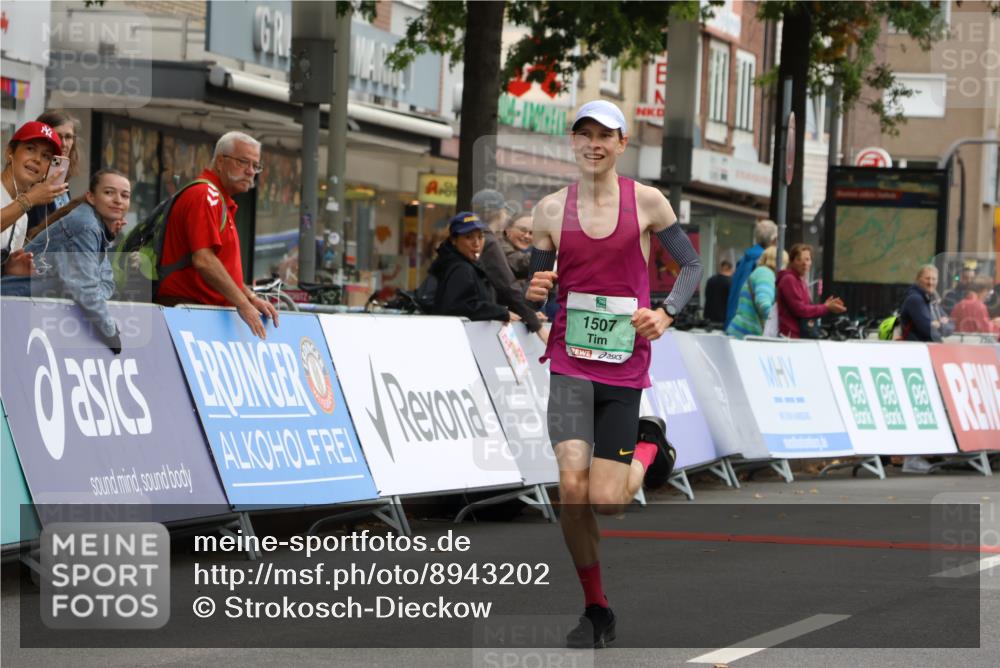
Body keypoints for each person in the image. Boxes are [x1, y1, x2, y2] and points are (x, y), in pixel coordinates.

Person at [526, 100, 701, 649]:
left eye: (605, 135)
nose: (594, 144)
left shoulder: (647, 202)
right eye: (584, 135)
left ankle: (650, 446)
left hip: (625, 367)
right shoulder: (550, 211)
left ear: (623, 144)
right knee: (571, 491)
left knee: (609, 500)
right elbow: (539, 283)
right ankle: (596, 608)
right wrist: (535, 296)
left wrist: (666, 312)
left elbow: (690, 266)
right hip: (571, 365)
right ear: (572, 143)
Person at [155, 131, 278, 340]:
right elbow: (204, 260)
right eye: (243, 162)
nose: (250, 171)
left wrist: (249, 297)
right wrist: (242, 303)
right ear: (220, 161)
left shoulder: (217, 198)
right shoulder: (206, 194)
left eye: (255, 166)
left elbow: (221, 267)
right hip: (187, 315)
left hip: (196, 315)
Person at [1, 170, 130, 353]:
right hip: (12, 309)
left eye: (125, 195)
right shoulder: (86, 226)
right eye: (109, 192)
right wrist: (110, 332)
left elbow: (106, 284)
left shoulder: (95, 227)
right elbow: (85, 287)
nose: (118, 200)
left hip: (28, 315)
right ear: (91, 197)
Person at [471, 188, 546, 342]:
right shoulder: (489, 241)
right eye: (505, 211)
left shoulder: (475, 236)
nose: (506, 216)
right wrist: (539, 327)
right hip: (479, 325)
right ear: (498, 213)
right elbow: (507, 286)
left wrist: (525, 313)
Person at [1, 121, 66, 275]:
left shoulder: (22, 217)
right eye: (30, 149)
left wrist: (10, 269)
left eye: (46, 156)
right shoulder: (25, 204)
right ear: (9, 152)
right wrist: (29, 199)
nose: (37, 159)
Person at [429, 211, 513, 323]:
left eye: (480, 237)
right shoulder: (460, 268)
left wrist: (517, 312)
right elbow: (461, 307)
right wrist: (501, 312)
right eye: (469, 237)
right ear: (454, 240)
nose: (476, 243)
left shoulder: (466, 264)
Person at [26, 110, 80, 232]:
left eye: (68, 137)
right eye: (58, 136)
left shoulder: (61, 178)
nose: (64, 144)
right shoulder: (31, 177)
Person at [776, 243, 845, 338]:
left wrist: (826, 306)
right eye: (799, 259)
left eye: (807, 259)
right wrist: (825, 307)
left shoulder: (800, 280)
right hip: (791, 337)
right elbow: (800, 310)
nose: (804, 263)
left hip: (798, 336)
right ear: (791, 262)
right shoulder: (789, 279)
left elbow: (806, 309)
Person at [724, 219, 777, 329]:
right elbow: (764, 302)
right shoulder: (763, 264)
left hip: (734, 321)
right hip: (751, 327)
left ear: (756, 238)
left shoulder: (744, 259)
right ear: (774, 240)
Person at [725, 247, 786, 340]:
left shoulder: (759, 272)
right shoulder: (766, 274)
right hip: (748, 334)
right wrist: (781, 321)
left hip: (741, 331)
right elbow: (763, 304)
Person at [897, 264, 953, 343]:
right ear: (918, 280)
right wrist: (941, 325)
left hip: (929, 348)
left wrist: (938, 325)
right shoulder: (915, 299)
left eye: (934, 279)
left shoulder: (933, 299)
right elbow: (928, 330)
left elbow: (951, 326)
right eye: (927, 278)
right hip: (916, 349)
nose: (931, 282)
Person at [500, 211, 533, 293]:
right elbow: (517, 262)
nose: (527, 236)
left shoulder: (524, 249)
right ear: (508, 230)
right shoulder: (499, 245)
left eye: (531, 233)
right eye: (523, 230)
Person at [703, 259, 733, 325]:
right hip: (723, 318)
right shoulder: (731, 283)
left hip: (708, 316)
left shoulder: (710, 280)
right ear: (730, 269)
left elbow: (706, 295)